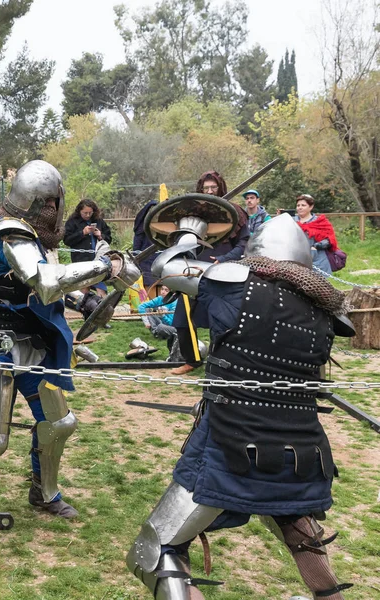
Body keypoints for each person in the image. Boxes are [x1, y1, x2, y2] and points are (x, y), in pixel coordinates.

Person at [127, 209, 354, 600]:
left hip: (230, 446)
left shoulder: (234, 285)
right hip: (301, 451)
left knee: (154, 552)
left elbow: (164, 267)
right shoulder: (323, 310)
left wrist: (190, 233)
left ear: (257, 253)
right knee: (299, 533)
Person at [0, 160, 139, 538]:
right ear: (48, 203)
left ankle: (44, 492)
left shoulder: (30, 235)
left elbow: (39, 285)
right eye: (57, 205)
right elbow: (44, 282)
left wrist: (84, 301)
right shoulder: (9, 233)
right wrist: (103, 267)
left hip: (31, 341)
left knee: (58, 423)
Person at [171, 170, 250, 375]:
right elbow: (180, 240)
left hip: (222, 273)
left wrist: (223, 259)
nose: (210, 191)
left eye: (213, 187)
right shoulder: (192, 213)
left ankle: (220, 361)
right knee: (181, 321)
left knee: (221, 321)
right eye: (206, 188)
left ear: (221, 188)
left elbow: (243, 243)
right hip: (192, 272)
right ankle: (192, 360)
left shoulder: (235, 212)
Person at [63, 199, 112, 298]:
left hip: (98, 261)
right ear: (79, 211)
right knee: (84, 289)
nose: (88, 215)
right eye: (85, 213)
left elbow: (109, 238)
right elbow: (67, 240)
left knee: (101, 289)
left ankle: (102, 309)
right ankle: (87, 310)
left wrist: (100, 235)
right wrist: (82, 233)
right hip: (81, 261)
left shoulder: (99, 221)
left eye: (90, 212)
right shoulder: (72, 222)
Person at [295, 194, 338, 276]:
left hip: (317, 260)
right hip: (297, 259)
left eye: (303, 205)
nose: (300, 207)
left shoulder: (320, 221)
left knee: (317, 286)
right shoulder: (292, 221)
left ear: (311, 207)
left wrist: (315, 246)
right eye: (298, 205)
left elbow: (330, 240)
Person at [138, 285, 177, 352]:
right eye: (162, 289)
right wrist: (146, 322)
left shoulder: (174, 303)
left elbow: (172, 323)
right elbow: (141, 306)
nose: (163, 292)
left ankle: (158, 332)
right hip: (161, 323)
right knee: (148, 310)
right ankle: (156, 333)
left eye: (166, 290)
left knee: (160, 327)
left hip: (172, 327)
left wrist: (163, 316)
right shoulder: (159, 299)